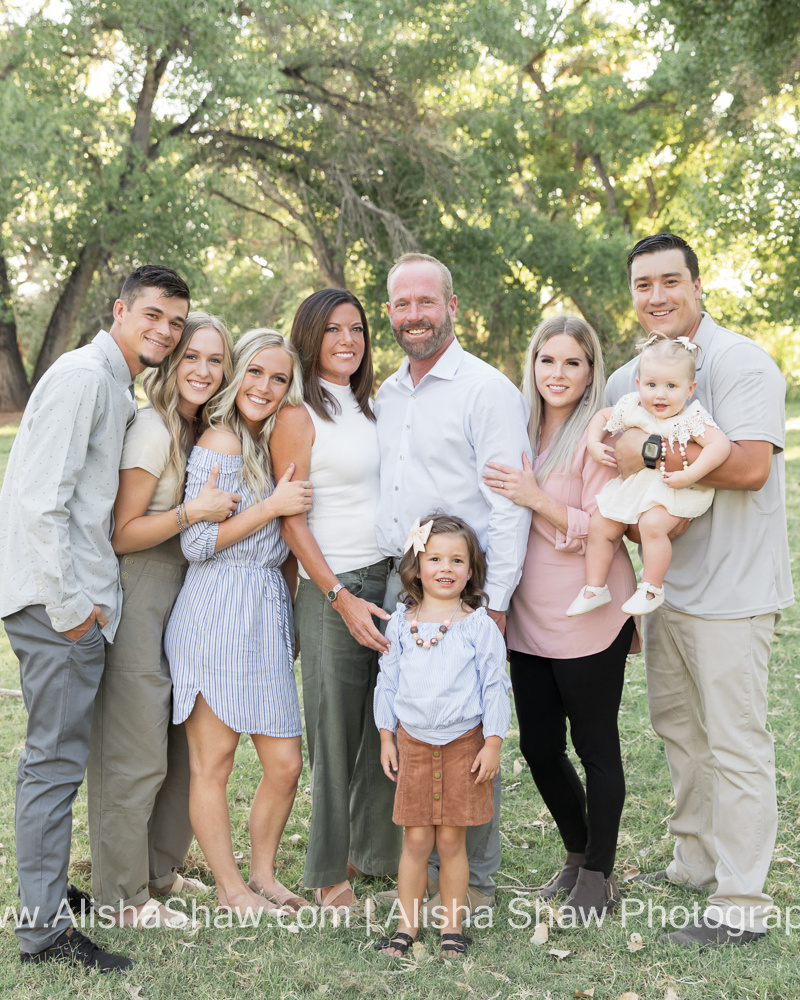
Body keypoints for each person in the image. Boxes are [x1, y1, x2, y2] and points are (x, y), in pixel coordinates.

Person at [0, 265, 191, 972]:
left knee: (62, 761)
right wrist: (72, 610)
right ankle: (44, 935)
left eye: (175, 321)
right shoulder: (85, 378)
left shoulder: (115, 384)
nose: (165, 332)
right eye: (153, 317)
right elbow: (37, 501)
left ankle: (49, 896)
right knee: (52, 768)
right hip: (59, 606)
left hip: (71, 603)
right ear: (120, 310)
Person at [606, 232, 793, 948]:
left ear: (696, 283)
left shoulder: (743, 362)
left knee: (737, 742)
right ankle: (695, 860)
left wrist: (649, 449)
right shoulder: (630, 378)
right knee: (680, 732)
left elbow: (748, 466)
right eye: (643, 285)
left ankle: (741, 902)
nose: (656, 297)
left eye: (668, 282)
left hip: (735, 589)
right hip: (668, 589)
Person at [375, 252, 531, 914]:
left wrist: (492, 606)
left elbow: (510, 504)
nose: (415, 315)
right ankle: (417, 866)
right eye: (403, 305)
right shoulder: (385, 393)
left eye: (426, 302)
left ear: (451, 307)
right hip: (404, 585)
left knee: (471, 730)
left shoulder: (485, 389)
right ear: (390, 312)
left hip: (468, 592)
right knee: (416, 717)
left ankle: (478, 880)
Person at [483, 316, 639, 921]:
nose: (558, 373)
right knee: (541, 749)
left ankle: (599, 874)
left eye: (572, 362)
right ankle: (577, 854)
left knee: (595, 745)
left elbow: (605, 525)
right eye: (548, 360)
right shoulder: (518, 426)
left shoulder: (600, 430)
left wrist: (536, 498)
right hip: (527, 615)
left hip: (589, 611)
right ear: (533, 364)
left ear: (591, 370)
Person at [87, 312, 238, 929]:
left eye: (215, 360)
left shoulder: (199, 430)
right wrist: (193, 512)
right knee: (135, 750)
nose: (203, 370)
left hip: (182, 596)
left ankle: (158, 871)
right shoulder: (151, 428)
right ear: (173, 362)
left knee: (178, 743)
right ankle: (122, 899)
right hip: (139, 592)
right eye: (193, 357)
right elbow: (121, 535)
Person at [163, 328, 314, 919]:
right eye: (255, 372)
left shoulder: (269, 441)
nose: (265, 387)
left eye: (278, 378)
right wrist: (271, 507)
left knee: (284, 764)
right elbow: (198, 542)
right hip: (215, 611)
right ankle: (230, 890)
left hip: (265, 611)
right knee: (215, 762)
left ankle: (264, 876)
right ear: (236, 374)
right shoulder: (221, 442)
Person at [270, 288, 401, 914]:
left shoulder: (374, 406)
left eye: (357, 329)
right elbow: (291, 521)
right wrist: (339, 596)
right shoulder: (299, 415)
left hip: (389, 580)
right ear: (310, 338)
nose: (347, 340)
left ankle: (371, 853)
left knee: (385, 725)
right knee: (333, 733)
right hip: (334, 590)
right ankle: (326, 873)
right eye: (332, 331)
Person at [373, 514, 511, 959]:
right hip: (413, 743)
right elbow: (387, 683)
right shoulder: (401, 623)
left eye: (457, 559)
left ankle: (452, 928)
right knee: (415, 841)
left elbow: (495, 685)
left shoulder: (478, 626)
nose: (445, 568)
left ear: (471, 570)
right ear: (416, 566)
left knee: (451, 841)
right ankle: (406, 927)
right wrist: (386, 737)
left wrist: (493, 741)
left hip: (463, 745)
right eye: (435, 558)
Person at [567, 333, 730, 618]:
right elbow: (602, 418)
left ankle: (651, 587)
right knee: (601, 523)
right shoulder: (633, 406)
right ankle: (595, 587)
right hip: (640, 486)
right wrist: (594, 443)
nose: (660, 394)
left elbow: (720, 446)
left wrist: (690, 474)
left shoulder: (690, 417)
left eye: (671, 386)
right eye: (652, 385)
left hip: (676, 487)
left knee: (652, 524)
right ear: (639, 384)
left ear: (689, 389)